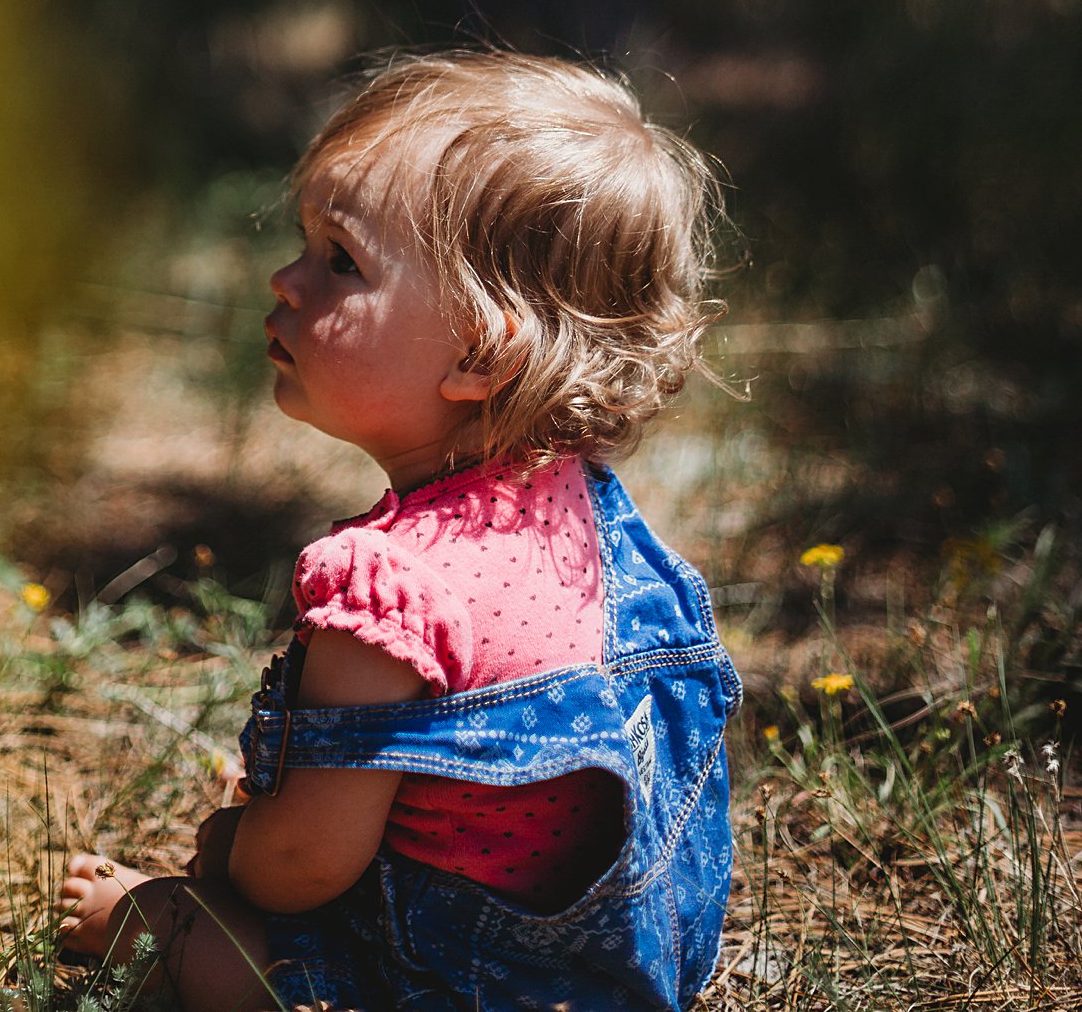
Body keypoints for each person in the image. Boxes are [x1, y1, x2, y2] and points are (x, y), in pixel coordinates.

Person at [59, 50, 741, 1011]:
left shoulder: (388, 585)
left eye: (342, 259)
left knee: (168, 922)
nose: (287, 278)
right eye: (304, 242)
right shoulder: (584, 515)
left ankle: (134, 932)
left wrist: (224, 851)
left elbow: (302, 865)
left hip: (442, 984)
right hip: (607, 977)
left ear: (477, 350)